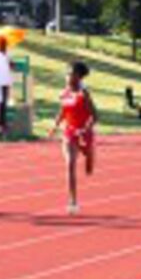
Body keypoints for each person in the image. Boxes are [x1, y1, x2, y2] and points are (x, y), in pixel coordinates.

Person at [50, 61, 98, 215]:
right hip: (70, 132)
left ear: (78, 76)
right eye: (67, 73)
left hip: (85, 132)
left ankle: (90, 154)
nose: (67, 76)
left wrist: (86, 129)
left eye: (70, 73)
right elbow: (63, 111)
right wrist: (55, 125)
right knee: (70, 164)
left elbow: (95, 116)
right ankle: (73, 201)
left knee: (89, 162)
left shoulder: (84, 94)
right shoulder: (64, 93)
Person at [0, 37, 14, 133]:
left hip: (6, 81)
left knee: (4, 102)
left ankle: (2, 123)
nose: (4, 46)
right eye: (2, 44)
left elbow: (11, 65)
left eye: (5, 44)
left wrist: (10, 62)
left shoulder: (8, 53)